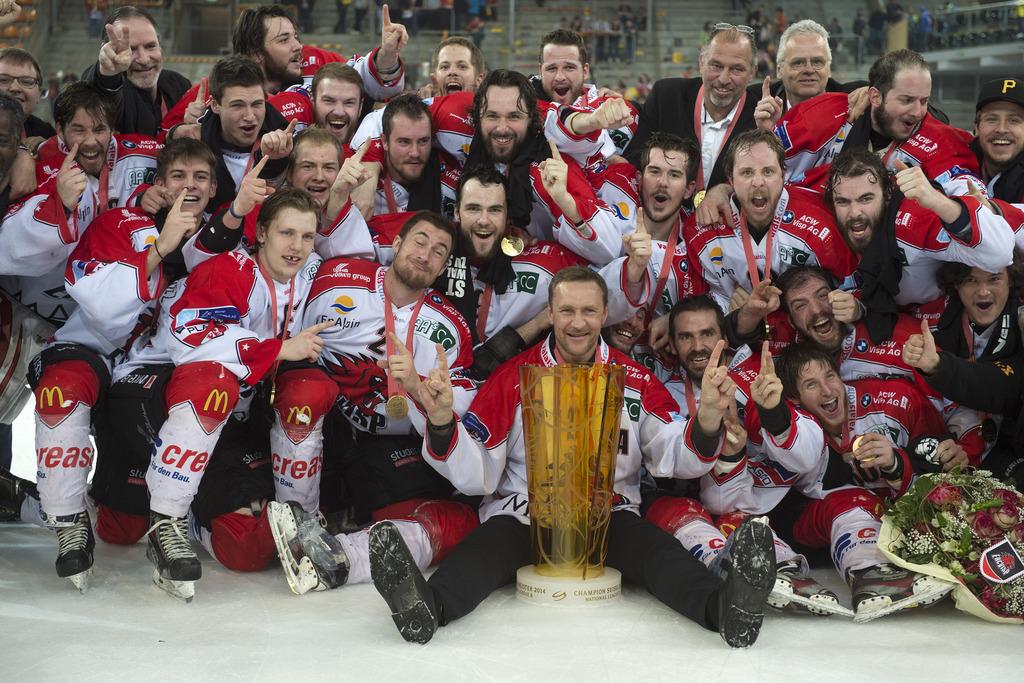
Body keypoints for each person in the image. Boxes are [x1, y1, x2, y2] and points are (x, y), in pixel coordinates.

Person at [367, 265, 777, 647]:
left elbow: (671, 454)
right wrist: (442, 422)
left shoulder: (634, 379)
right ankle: (427, 608)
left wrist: (706, 420)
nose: (577, 322)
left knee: (658, 554)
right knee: (482, 552)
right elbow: (480, 473)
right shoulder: (513, 376)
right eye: (566, 310)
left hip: (608, 514)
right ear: (550, 312)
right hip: (525, 513)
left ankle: (724, 610)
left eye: (588, 311)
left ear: (604, 315)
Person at [27, 139, 217, 591]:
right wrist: (158, 248)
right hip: (90, 352)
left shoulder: (221, 242)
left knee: (121, 527)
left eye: (200, 178)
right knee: (62, 388)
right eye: (178, 176)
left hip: (151, 371)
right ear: (159, 184)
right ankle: (68, 518)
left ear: (213, 188)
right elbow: (91, 294)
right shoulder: (121, 221)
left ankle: (165, 520)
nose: (189, 186)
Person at [263, 211, 481, 595]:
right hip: (325, 428)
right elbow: (277, 309)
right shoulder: (336, 280)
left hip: (388, 447)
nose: (425, 254)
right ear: (396, 244)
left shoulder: (450, 326)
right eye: (419, 241)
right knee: (305, 392)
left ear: (444, 267)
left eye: (439, 251)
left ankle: (339, 551)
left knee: (456, 522)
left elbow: (458, 407)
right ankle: (300, 525)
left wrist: (417, 388)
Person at [0, 82, 161, 325]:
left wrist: (181, 132)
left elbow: (190, 161)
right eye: (78, 130)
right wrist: (60, 206)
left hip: (117, 316)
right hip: (34, 314)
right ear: (60, 129)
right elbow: (7, 247)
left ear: (112, 129)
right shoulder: (39, 169)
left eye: (99, 129)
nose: (90, 141)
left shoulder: (143, 153)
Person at [682, 129, 858, 313]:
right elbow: (701, 304)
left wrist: (854, 306)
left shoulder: (820, 224)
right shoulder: (701, 230)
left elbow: (853, 288)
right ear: (731, 179)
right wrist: (731, 316)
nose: (758, 182)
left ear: (783, 174)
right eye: (747, 172)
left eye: (768, 171)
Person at [771, 49, 979, 196]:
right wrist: (766, 135)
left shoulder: (937, 137)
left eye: (924, 101)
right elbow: (767, 173)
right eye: (906, 100)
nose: (917, 112)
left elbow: (968, 192)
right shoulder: (819, 116)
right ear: (875, 97)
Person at [626, 24, 759, 191]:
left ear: (753, 73)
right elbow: (636, 158)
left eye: (736, 69)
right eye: (716, 66)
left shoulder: (760, 118)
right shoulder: (666, 97)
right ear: (701, 63)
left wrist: (728, 189)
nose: (724, 79)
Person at [84, 5, 191, 138]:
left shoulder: (179, 84)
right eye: (131, 49)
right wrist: (107, 73)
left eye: (151, 46)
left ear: (160, 46)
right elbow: (102, 93)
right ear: (107, 50)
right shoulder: (110, 88)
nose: (144, 59)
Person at [972, 77, 1024, 203]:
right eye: (992, 119)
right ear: (976, 127)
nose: (1001, 129)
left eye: (1014, 120)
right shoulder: (956, 160)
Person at [0, 48, 55, 145]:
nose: (15, 88)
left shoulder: (47, 134)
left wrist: (47, 153)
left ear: (39, 94)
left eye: (26, 82)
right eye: (3, 80)